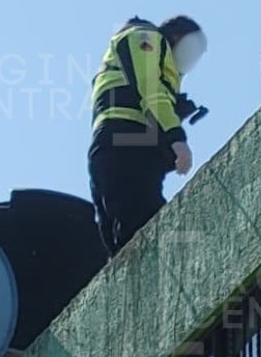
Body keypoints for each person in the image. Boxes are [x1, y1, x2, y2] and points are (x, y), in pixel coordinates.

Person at [88, 15, 207, 259]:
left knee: (123, 239)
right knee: (146, 232)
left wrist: (173, 114)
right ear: (176, 37)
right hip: (126, 146)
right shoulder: (145, 38)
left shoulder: (131, 48)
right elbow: (150, 87)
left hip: (113, 148)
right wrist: (176, 137)